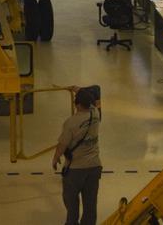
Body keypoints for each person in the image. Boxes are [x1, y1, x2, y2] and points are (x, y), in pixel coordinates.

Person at [52, 87, 102, 225]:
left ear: (78, 104)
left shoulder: (71, 122)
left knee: (71, 202)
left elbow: (62, 145)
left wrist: (55, 158)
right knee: (90, 203)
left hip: (75, 169)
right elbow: (94, 100)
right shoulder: (95, 114)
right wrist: (78, 90)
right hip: (94, 167)